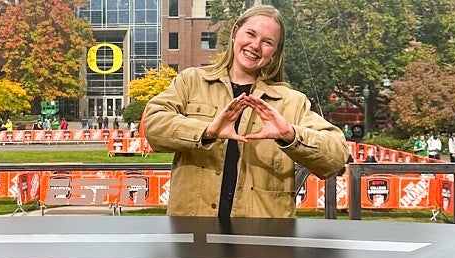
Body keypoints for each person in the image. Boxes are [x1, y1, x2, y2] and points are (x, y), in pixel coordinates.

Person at [142, 5, 348, 219]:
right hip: (194, 228)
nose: (255, 45)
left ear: (275, 52)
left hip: (262, 233)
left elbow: (336, 158)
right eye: (251, 34)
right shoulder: (192, 81)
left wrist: (290, 135)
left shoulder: (290, 102)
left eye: (267, 42)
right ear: (235, 33)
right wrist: (207, 131)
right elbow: (153, 124)